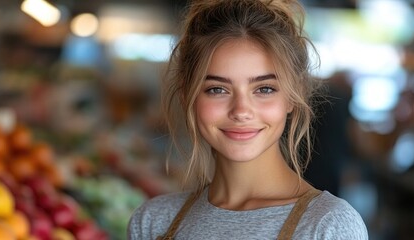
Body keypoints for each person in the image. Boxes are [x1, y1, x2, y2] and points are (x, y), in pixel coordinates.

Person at [128, 0, 368, 239]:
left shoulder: (328, 226)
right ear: (186, 94)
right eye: (217, 89)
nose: (241, 111)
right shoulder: (153, 222)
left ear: (294, 96)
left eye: (264, 89)